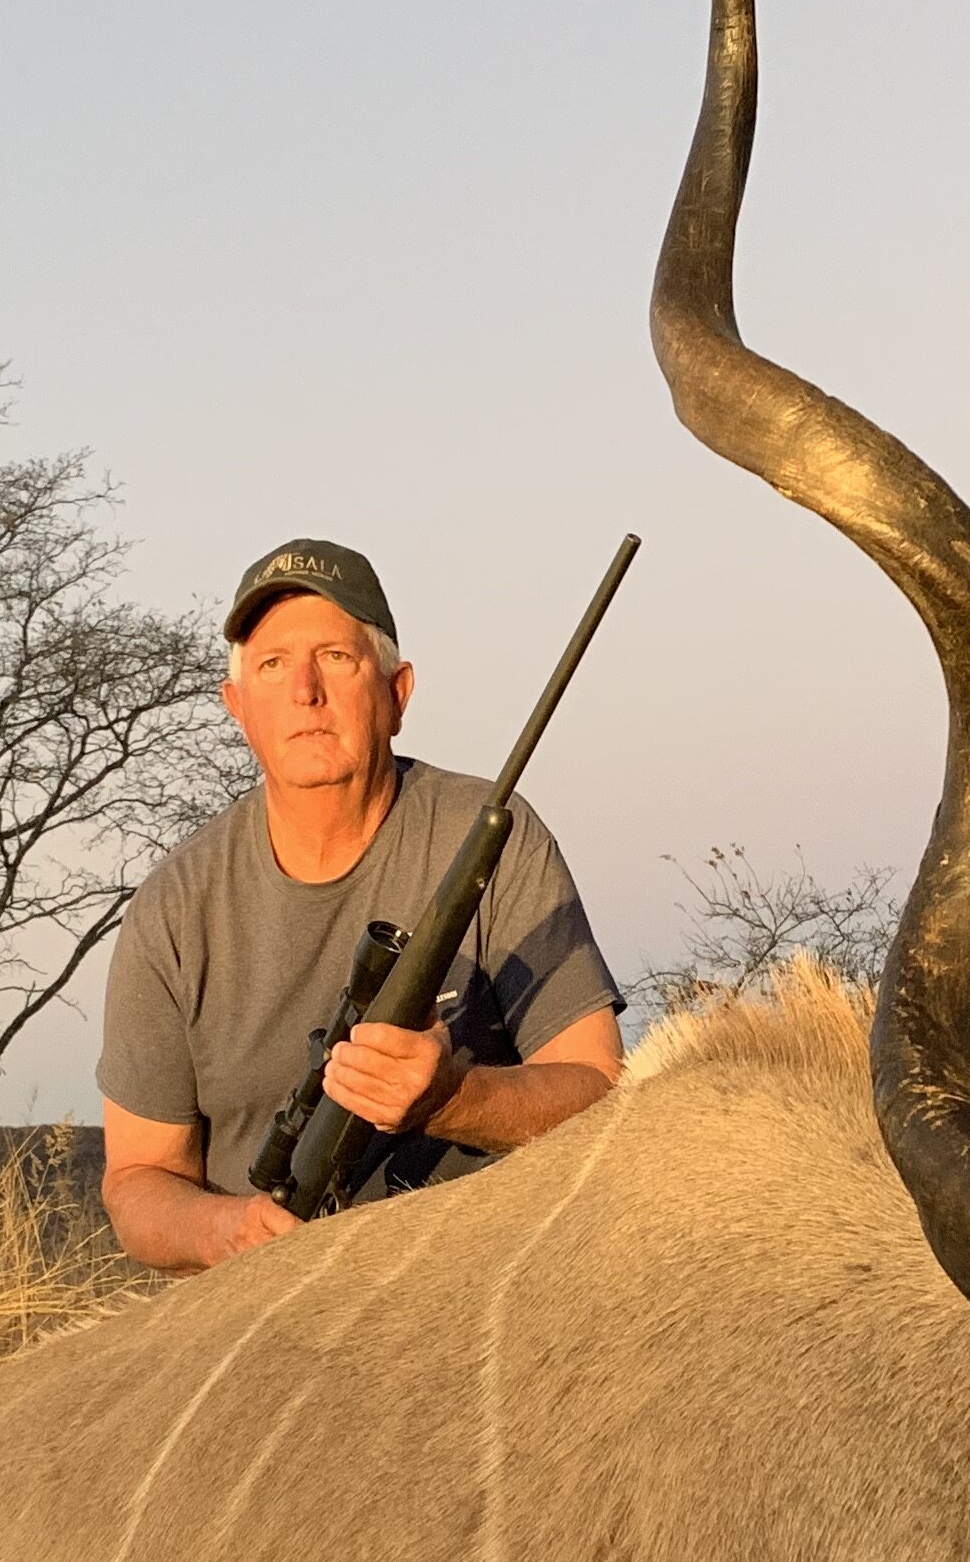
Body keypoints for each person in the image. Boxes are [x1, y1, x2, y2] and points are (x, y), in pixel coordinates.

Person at [96, 538, 622, 1269]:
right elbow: (137, 1181)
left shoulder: (494, 835)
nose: (305, 691)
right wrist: (229, 1231)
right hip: (257, 1304)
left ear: (397, 693)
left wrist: (452, 1098)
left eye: (336, 658)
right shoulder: (172, 907)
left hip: (476, 1274)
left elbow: (598, 1089)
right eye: (272, 665)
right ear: (238, 706)